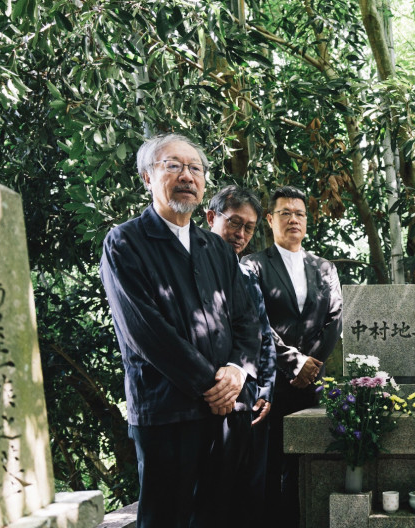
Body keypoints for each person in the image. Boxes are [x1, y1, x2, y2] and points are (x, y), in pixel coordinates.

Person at [100, 133, 262, 527]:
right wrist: (213, 384)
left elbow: (245, 320)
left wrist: (238, 370)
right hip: (166, 413)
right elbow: (147, 332)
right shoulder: (125, 242)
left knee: (217, 516)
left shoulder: (217, 248)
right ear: (146, 177)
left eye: (195, 168)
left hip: (226, 416)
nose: (187, 175)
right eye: (173, 165)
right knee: (166, 519)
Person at [241, 185, 343, 526]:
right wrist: (293, 362)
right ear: (270, 220)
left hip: (313, 386)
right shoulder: (252, 265)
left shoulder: (324, 267)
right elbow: (256, 320)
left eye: (299, 213)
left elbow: (334, 321)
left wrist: (310, 366)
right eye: (285, 213)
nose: (293, 219)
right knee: (269, 468)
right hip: (270, 384)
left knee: (312, 466)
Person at [205, 184, 282, 516]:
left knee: (250, 498)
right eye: (234, 222)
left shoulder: (247, 274)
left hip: (252, 403)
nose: (240, 234)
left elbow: (263, 333)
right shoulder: (197, 266)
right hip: (214, 400)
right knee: (213, 499)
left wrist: (266, 386)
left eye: (249, 228)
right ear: (212, 217)